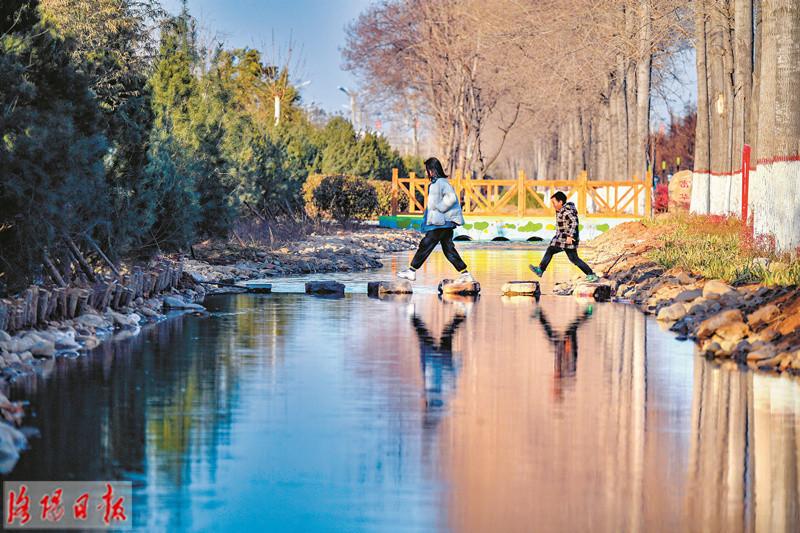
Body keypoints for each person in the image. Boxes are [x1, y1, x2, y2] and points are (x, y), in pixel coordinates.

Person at [397, 158, 475, 282]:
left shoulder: (440, 183)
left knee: (425, 244)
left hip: (441, 224)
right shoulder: (438, 183)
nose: (426, 173)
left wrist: (440, 208)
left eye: (427, 170)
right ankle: (465, 274)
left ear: (432, 170)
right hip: (444, 224)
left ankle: (411, 271)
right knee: (449, 250)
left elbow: (452, 198)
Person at [529, 191, 599, 282]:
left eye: (554, 203)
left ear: (560, 202)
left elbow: (574, 222)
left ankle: (541, 269)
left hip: (567, 239)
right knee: (570, 257)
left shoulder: (567, 211)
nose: (553, 205)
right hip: (562, 239)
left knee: (558, 252)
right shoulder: (561, 210)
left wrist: (570, 236)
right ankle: (590, 274)